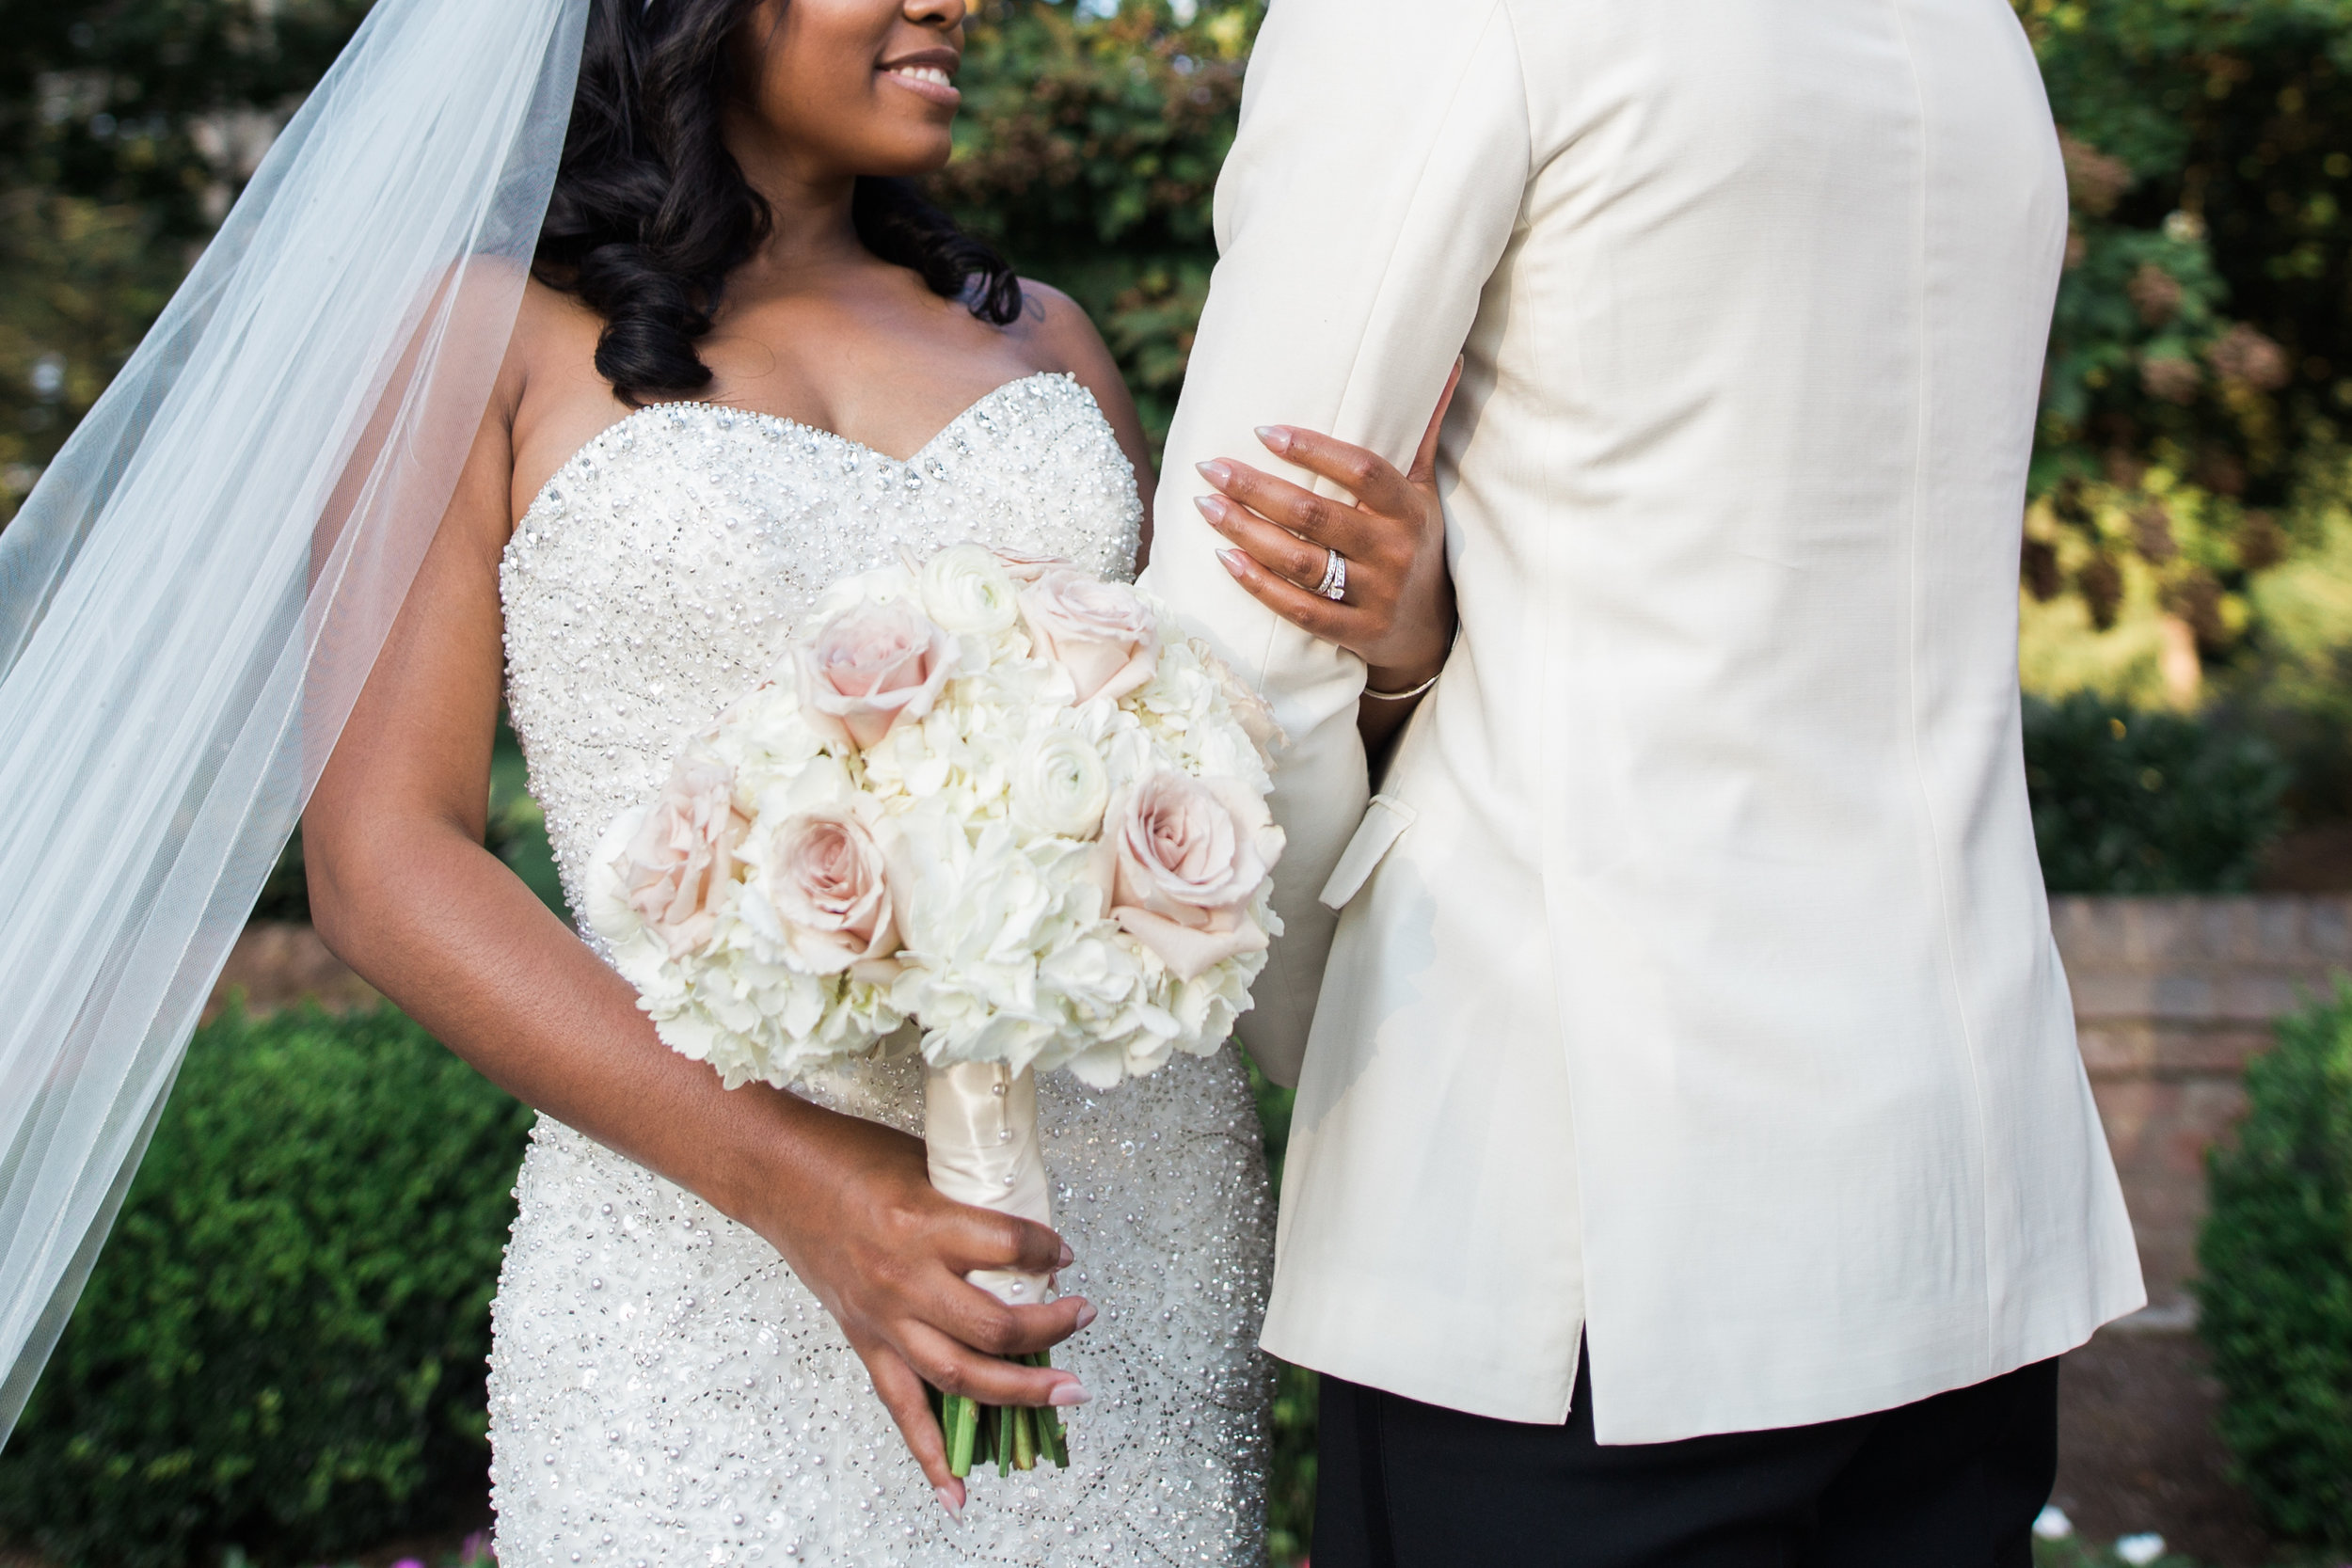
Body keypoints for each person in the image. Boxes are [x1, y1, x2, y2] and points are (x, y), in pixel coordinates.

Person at [1147, 0, 2148, 1562]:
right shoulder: (1974, 41)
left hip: (1579, 1223)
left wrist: (1315, 1045)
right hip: (1962, 1202)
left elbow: (1238, 638)